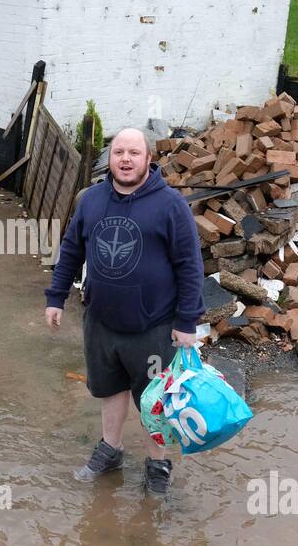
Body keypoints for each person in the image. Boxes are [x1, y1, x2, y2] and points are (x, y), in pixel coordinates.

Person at [44, 127, 205, 495]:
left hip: (153, 326)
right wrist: (55, 296)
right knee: (109, 389)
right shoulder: (91, 200)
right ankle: (111, 449)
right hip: (101, 321)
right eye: (119, 152)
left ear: (149, 158)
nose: (126, 159)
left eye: (134, 152)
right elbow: (71, 250)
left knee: (156, 401)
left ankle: (158, 464)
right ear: (110, 159)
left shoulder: (170, 205)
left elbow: (190, 265)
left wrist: (186, 320)